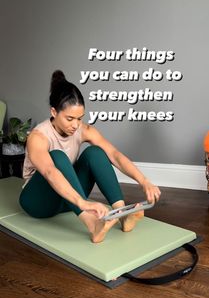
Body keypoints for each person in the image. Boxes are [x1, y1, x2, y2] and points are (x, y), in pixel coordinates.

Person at [19, 70, 161, 243]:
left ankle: (122, 214)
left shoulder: (83, 130)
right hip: (39, 202)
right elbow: (50, 172)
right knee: (58, 157)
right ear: (54, 112)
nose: (75, 125)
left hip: (67, 198)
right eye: (70, 118)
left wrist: (144, 181)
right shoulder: (38, 136)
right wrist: (83, 203)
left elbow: (115, 155)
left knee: (96, 153)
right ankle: (92, 224)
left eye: (80, 118)